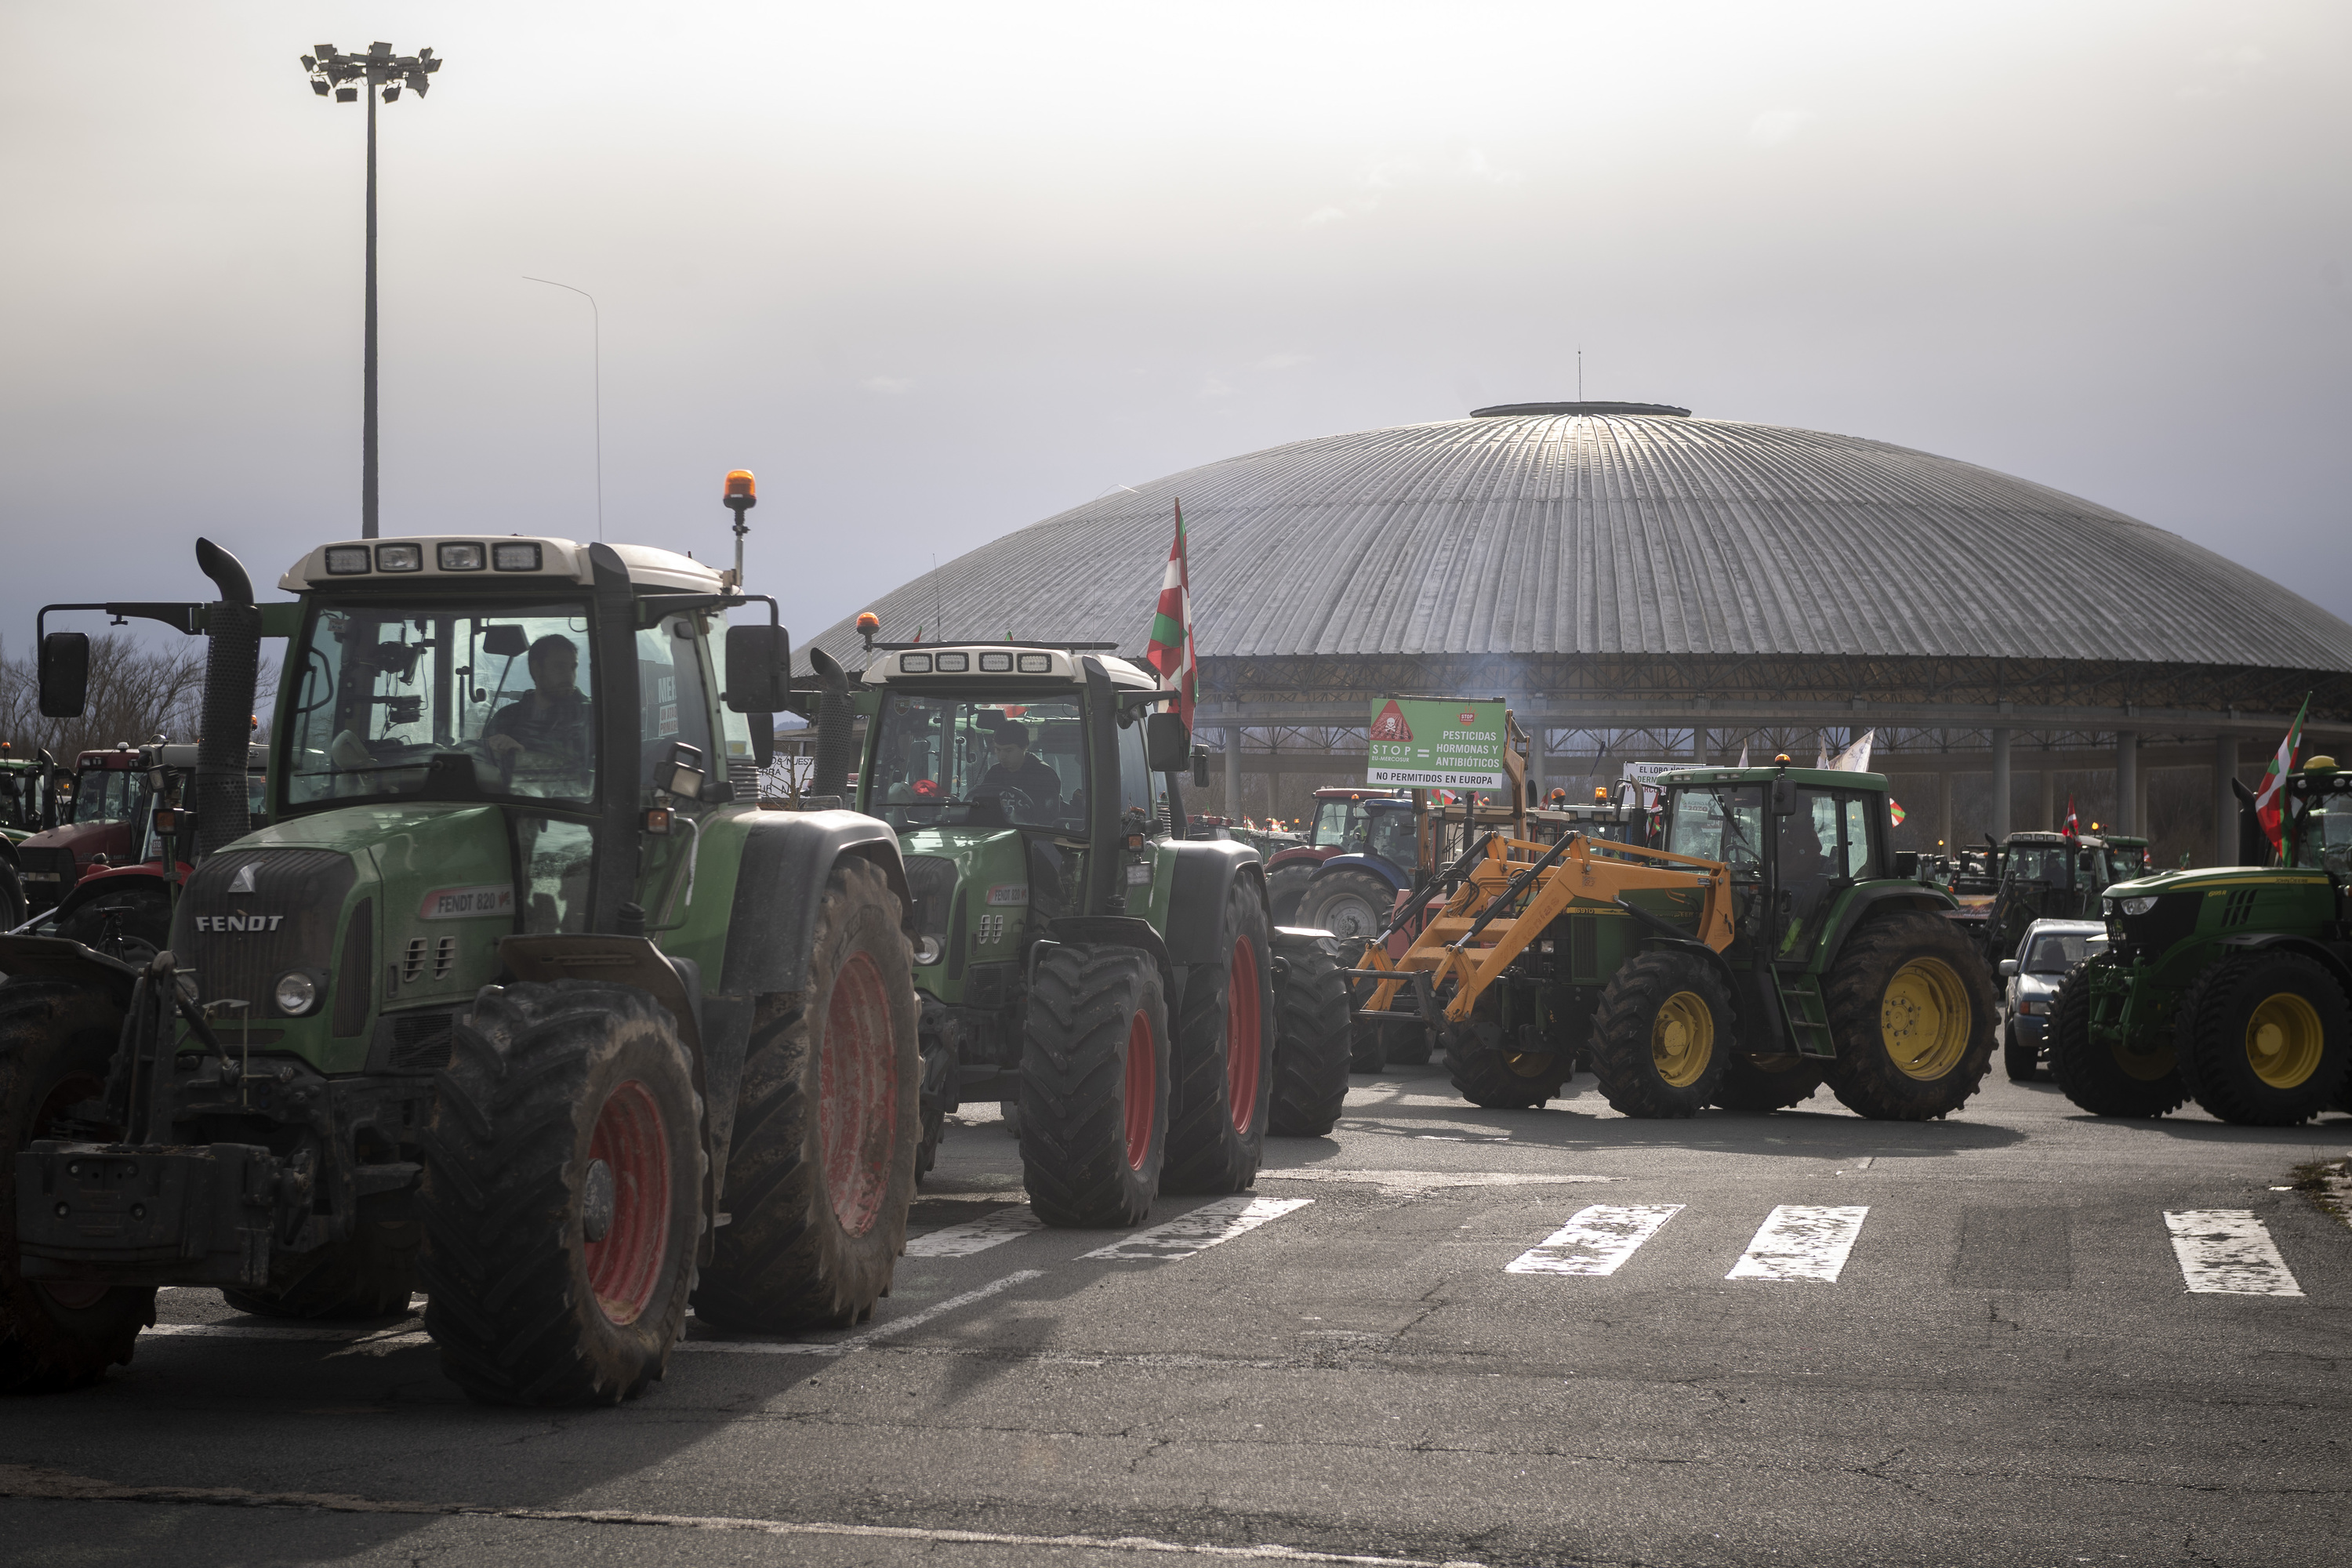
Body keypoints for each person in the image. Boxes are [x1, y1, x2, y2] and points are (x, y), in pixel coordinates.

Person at [486, 635, 592, 772]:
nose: (569, 676)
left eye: (573, 667)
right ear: (537, 669)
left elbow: (585, 771)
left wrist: (521, 755)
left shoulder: (588, 717)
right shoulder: (506, 717)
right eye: (560, 667)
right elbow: (485, 763)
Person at [978, 719, 1062, 812]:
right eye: (998, 750)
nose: (1002, 756)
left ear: (1025, 747)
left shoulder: (1043, 775)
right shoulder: (994, 773)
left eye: (1008, 750)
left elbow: (1048, 819)